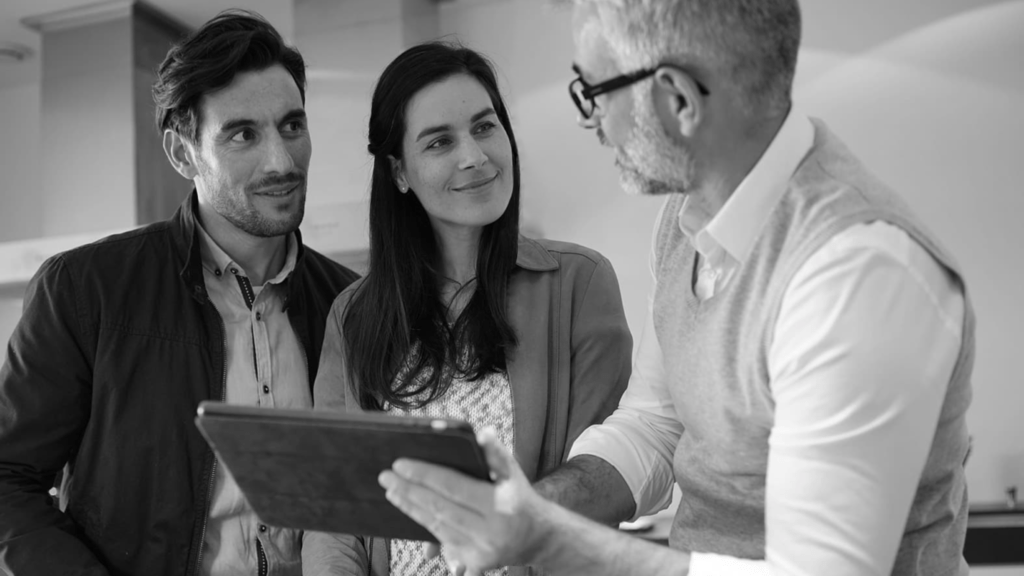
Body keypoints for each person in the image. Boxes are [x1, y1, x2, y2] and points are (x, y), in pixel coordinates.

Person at [376, 1, 975, 575]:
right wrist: (532, 507)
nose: (594, 125)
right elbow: (657, 424)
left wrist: (545, 537)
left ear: (679, 99)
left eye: (594, 92)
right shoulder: (687, 224)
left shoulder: (856, 270)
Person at [0, 10, 360, 576]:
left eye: (292, 126)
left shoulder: (352, 306)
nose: (282, 161)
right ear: (182, 153)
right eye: (243, 134)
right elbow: (7, 480)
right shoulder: (85, 290)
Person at [301, 42, 632, 576]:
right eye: (439, 142)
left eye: (485, 127)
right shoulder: (353, 316)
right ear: (399, 172)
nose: (474, 155)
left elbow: (603, 483)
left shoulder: (579, 283)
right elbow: (333, 507)